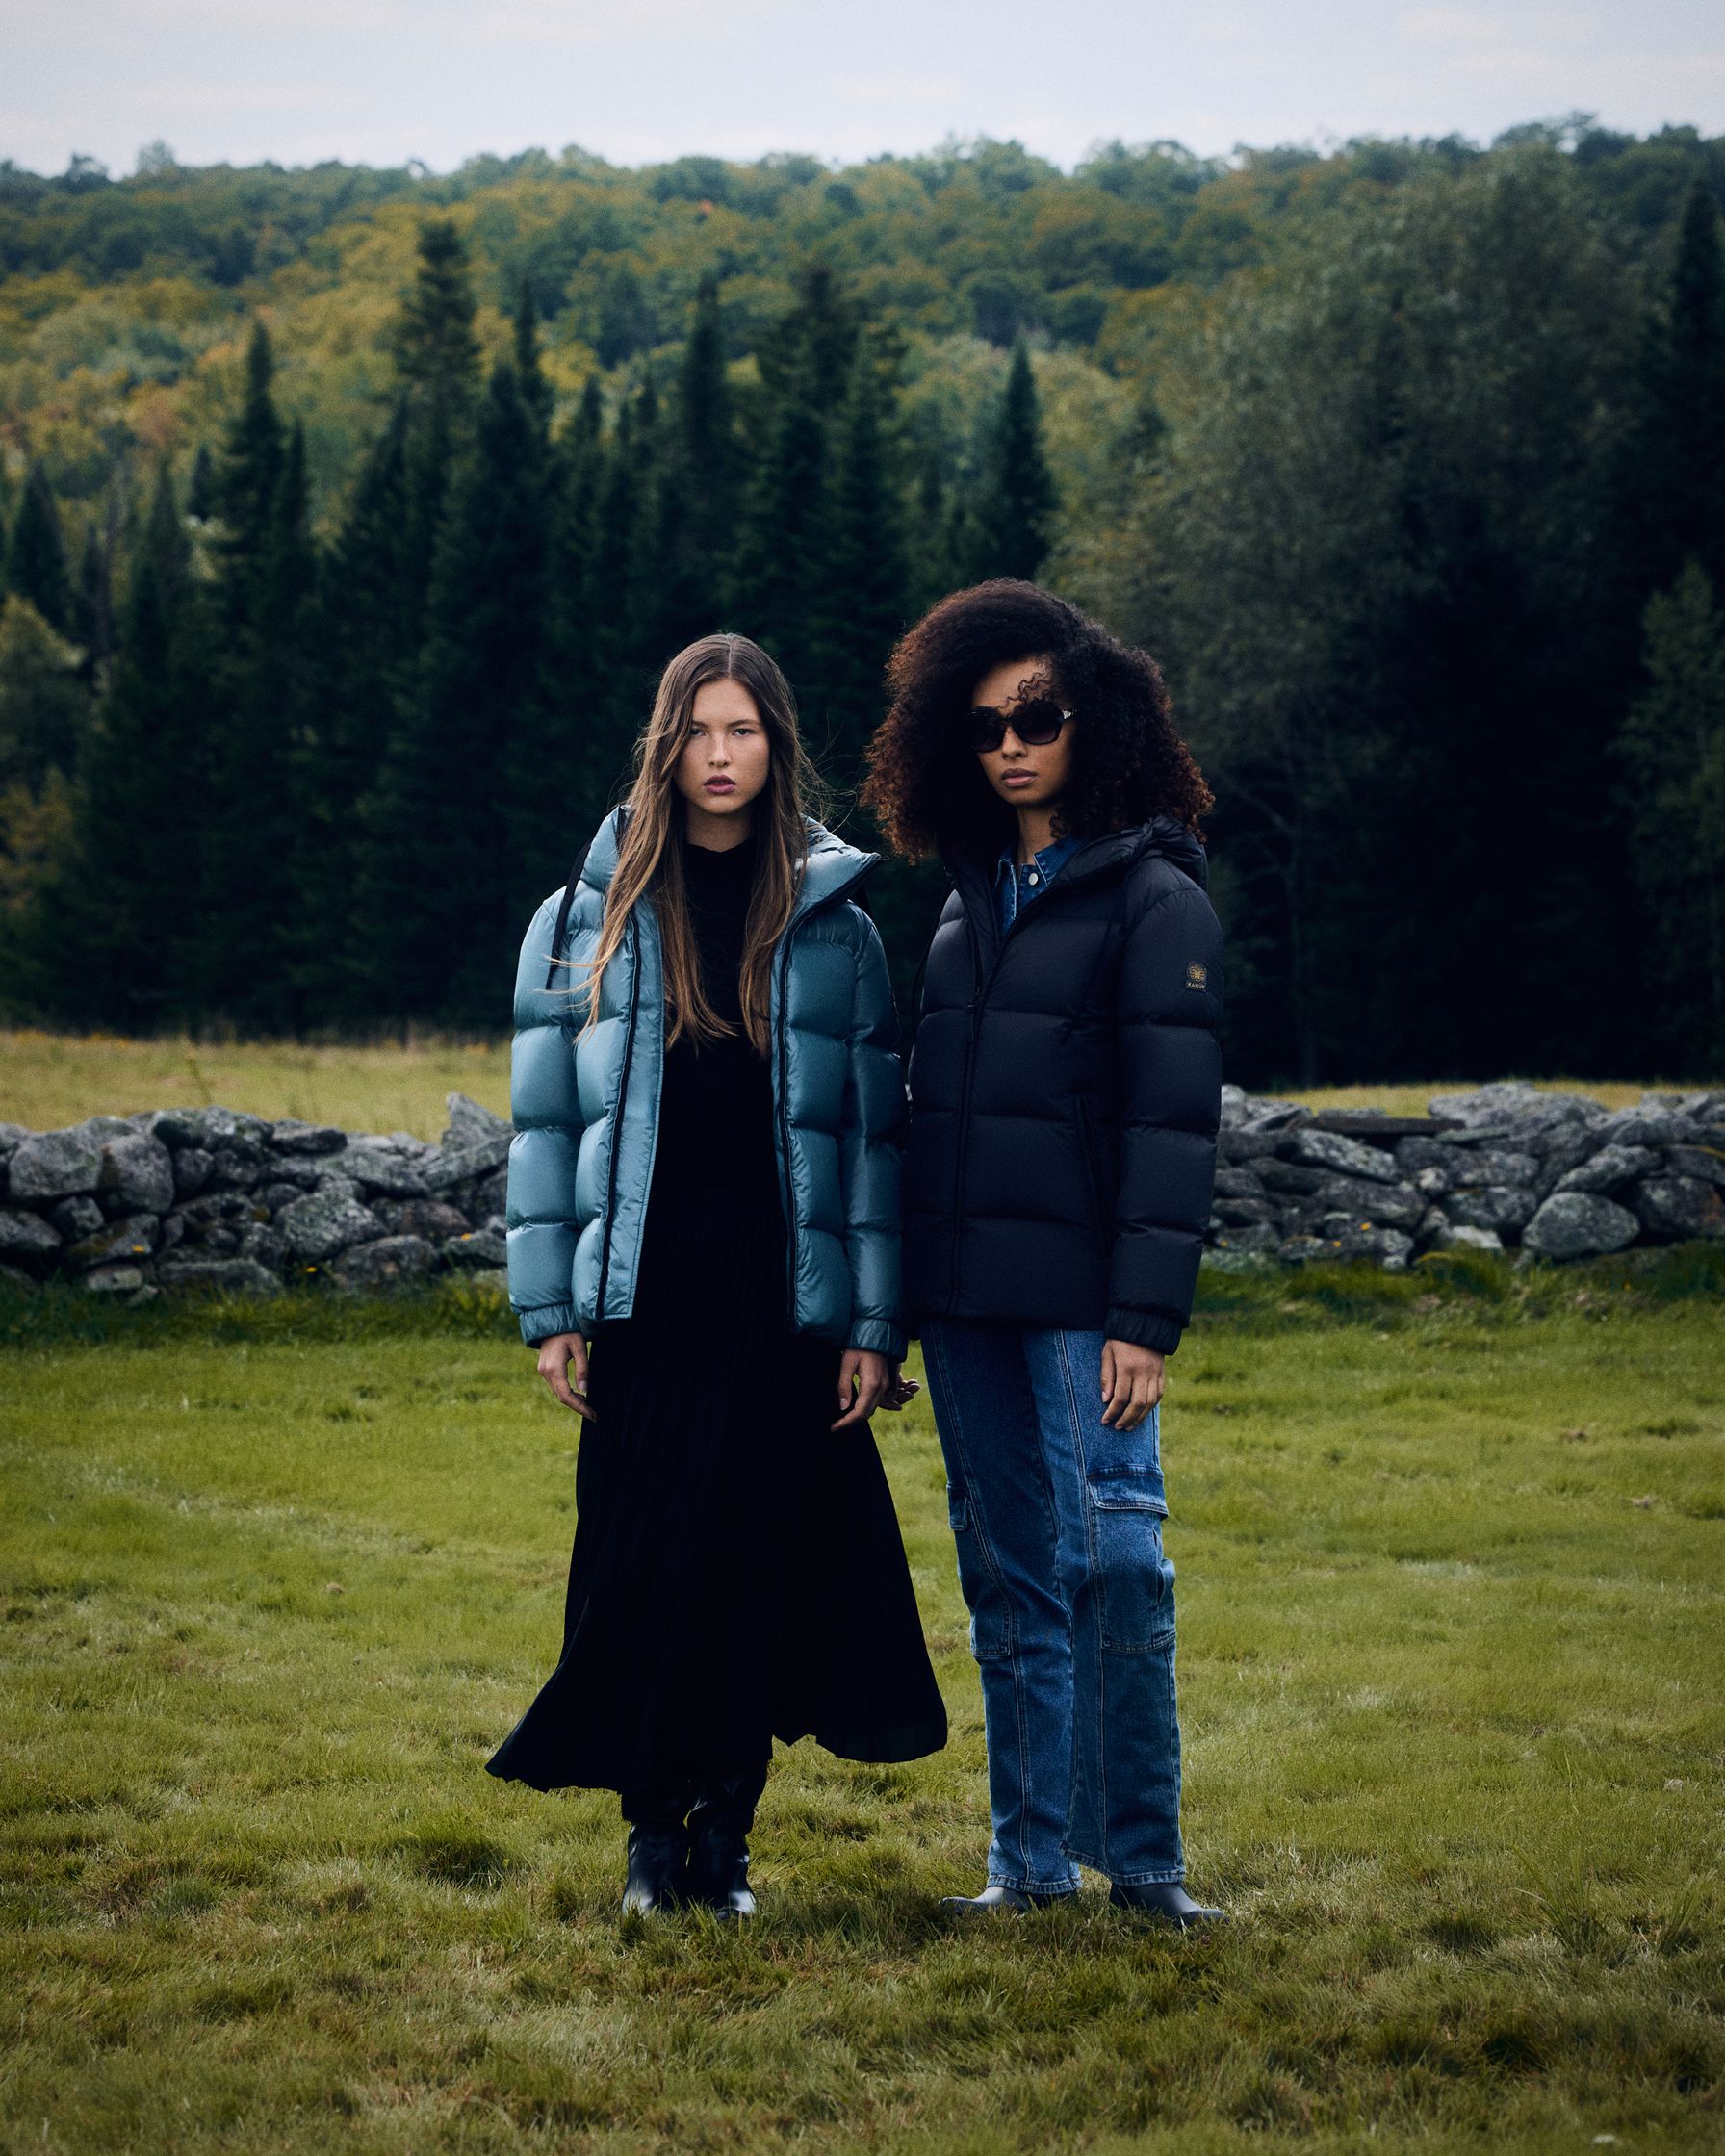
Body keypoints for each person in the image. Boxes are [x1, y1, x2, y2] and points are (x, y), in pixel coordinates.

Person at [489, 632, 946, 1918]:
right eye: (700, 730)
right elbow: (547, 1136)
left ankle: (725, 1843)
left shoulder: (833, 926)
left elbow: (869, 1144)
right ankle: (650, 1840)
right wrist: (552, 1314)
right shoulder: (584, 920)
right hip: (641, 1295)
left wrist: (871, 1329)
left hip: (776, 1304)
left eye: (743, 731)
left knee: (752, 1569)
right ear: (666, 742)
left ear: (778, 745)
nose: (721, 756)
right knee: (644, 1564)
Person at [862, 580, 1225, 1926]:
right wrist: (889, 1319)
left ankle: (1145, 1873)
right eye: (984, 725)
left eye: (1040, 716)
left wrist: (1144, 1317)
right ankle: (1027, 1872)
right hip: (966, 1315)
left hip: (1089, 1317)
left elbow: (1170, 1128)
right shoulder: (963, 908)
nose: (1013, 742)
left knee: (1120, 1568)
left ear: (1097, 720)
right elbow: (926, 1128)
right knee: (1011, 1585)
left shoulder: (1155, 897)